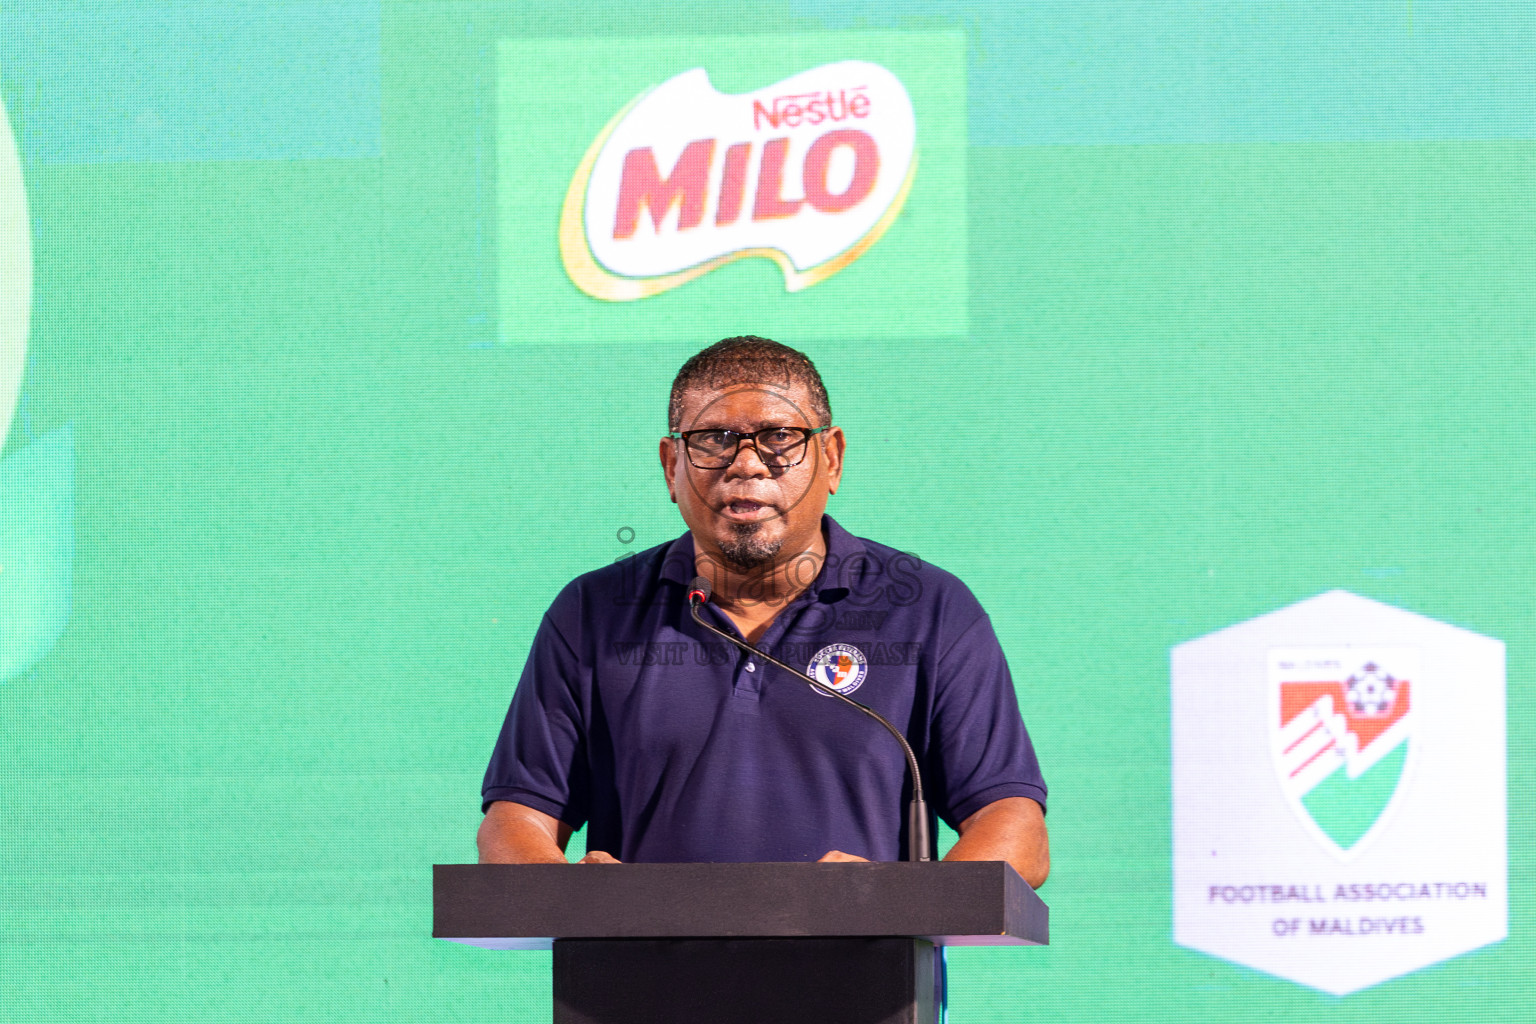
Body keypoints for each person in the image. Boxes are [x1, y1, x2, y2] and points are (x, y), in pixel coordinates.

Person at [478, 336, 1049, 886]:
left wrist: (892, 901)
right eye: (713, 439)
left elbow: (1015, 826)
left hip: (864, 980)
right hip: (634, 978)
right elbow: (514, 823)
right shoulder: (592, 612)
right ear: (670, 466)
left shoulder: (929, 609)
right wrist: (580, 897)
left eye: (780, 437)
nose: (746, 464)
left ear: (832, 458)